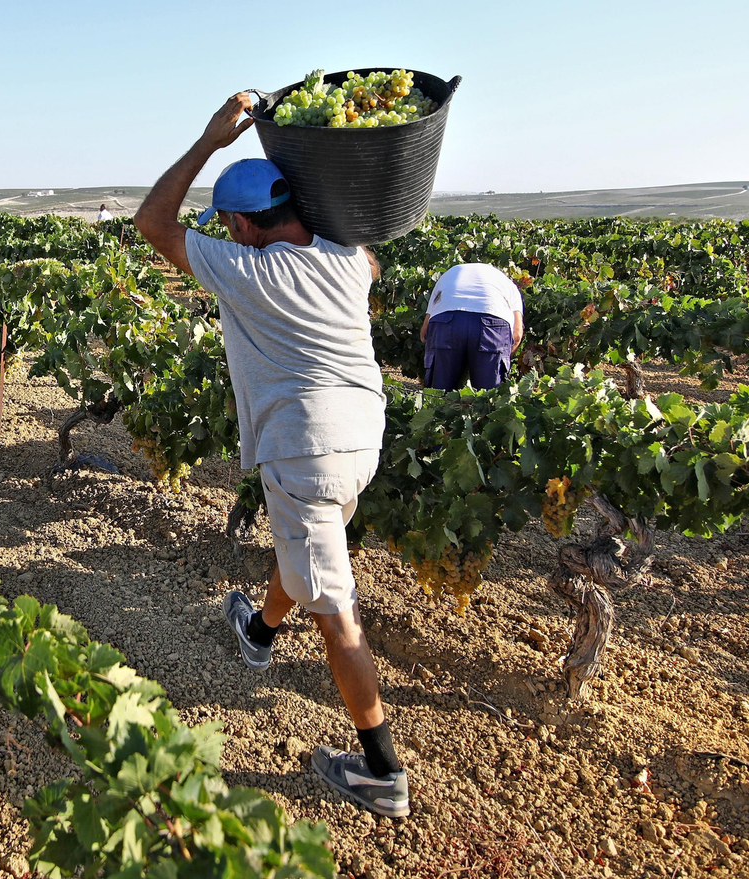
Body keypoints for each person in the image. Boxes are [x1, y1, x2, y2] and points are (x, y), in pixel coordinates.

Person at [134, 93, 408, 819]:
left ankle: (382, 770)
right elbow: (371, 256)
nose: (225, 238)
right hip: (361, 441)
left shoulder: (251, 271)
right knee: (304, 550)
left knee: (339, 614)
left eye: (229, 227)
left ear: (246, 225)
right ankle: (257, 632)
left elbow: (150, 223)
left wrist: (207, 142)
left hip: (307, 450)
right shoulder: (347, 259)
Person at [420, 263, 524, 391]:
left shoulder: (448, 275)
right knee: (488, 397)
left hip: (446, 319)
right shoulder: (508, 285)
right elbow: (517, 334)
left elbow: (424, 332)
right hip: (492, 323)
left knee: (440, 394)